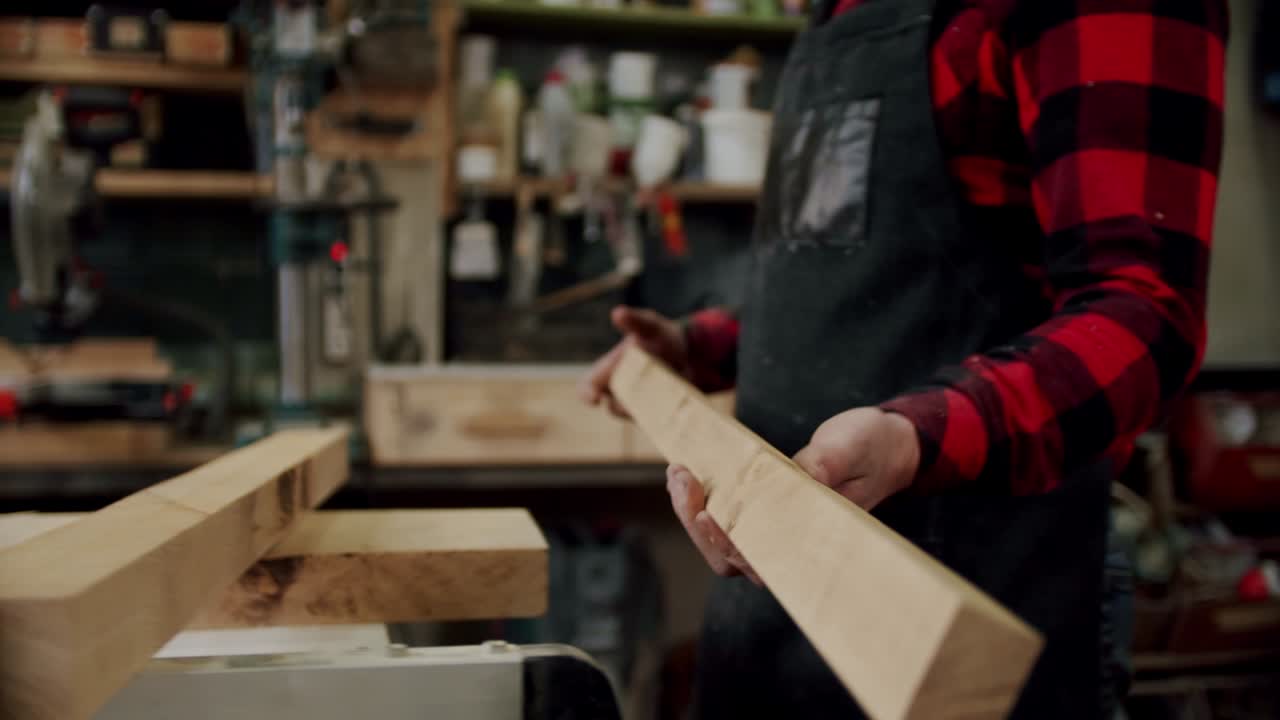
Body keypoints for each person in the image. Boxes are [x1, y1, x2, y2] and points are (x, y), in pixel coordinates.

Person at [580, 0, 1227, 717]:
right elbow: (849, 271)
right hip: (772, 612)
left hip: (962, 618)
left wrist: (914, 436)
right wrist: (696, 346)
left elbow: (1144, 313)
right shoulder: (839, 11)